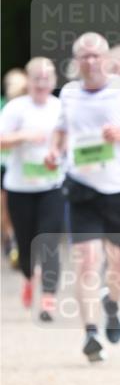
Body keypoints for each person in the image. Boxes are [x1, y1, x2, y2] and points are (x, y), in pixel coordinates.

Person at [44, 32, 120, 362]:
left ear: (106, 59)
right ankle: (90, 334)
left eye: (96, 55)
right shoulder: (68, 93)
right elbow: (62, 130)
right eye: (84, 55)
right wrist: (55, 152)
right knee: (86, 260)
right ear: (76, 61)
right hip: (81, 186)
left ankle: (112, 303)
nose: (90, 61)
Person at [0, 58, 64, 319]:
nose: (41, 83)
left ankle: (48, 298)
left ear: (54, 81)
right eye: (36, 78)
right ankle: (29, 277)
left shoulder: (60, 107)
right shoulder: (16, 108)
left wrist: (57, 154)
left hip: (52, 185)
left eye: (46, 78)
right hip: (20, 187)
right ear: (28, 80)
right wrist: (24, 136)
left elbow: (69, 140)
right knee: (26, 246)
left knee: (48, 241)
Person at [1, 68, 28, 266]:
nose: (14, 88)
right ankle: (10, 240)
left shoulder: (31, 107)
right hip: (3, 164)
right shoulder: (2, 106)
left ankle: (20, 242)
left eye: (17, 83)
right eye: (10, 84)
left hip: (24, 166)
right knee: (4, 207)